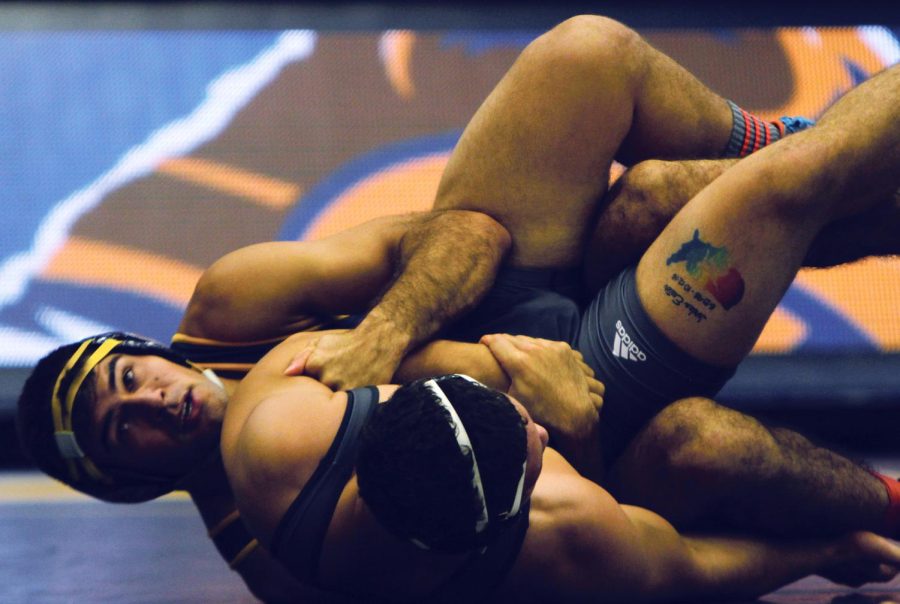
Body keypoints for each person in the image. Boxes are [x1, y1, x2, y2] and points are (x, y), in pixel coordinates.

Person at [15, 13, 900, 602]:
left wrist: (379, 336)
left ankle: (824, 162)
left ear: (145, 349)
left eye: (128, 378)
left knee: (585, 60)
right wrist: (576, 438)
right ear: (136, 481)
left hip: (506, 288)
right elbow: (587, 565)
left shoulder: (233, 305)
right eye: (121, 430)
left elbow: (468, 235)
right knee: (707, 433)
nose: (151, 403)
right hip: (580, 411)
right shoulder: (275, 553)